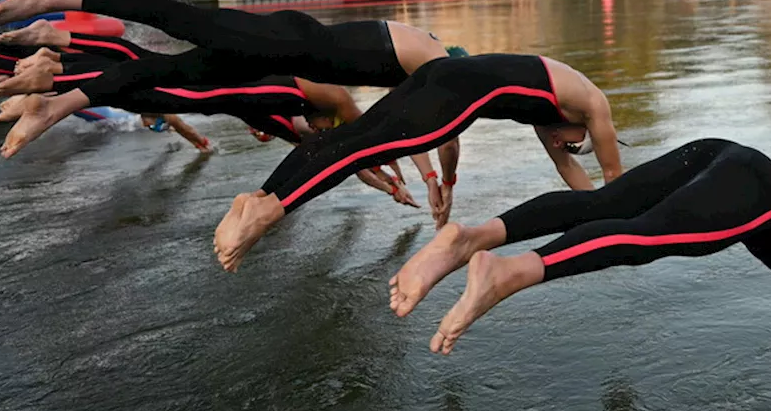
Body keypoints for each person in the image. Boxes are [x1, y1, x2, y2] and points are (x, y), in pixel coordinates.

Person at [387, 138, 771, 393]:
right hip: (754, 192)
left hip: (726, 158)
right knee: (646, 238)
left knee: (604, 204)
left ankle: (467, 240)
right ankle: (508, 271)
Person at [213, 52, 624, 273]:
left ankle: (258, 197)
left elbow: (567, 170)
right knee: (366, 150)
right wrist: (619, 223)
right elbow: (613, 179)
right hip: (466, 85)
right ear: (585, 131)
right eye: (570, 143)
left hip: (442, 71)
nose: (559, 143)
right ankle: (269, 213)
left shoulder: (549, 115)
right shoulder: (593, 104)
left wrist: (590, 217)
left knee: (350, 136)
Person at [0, 0, 467, 162]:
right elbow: (441, 131)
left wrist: (429, 178)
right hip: (286, 42)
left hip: (277, 53)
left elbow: (406, 126)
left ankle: (56, 103)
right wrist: (444, 179)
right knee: (174, 18)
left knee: (163, 74)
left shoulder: (420, 62)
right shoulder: (436, 61)